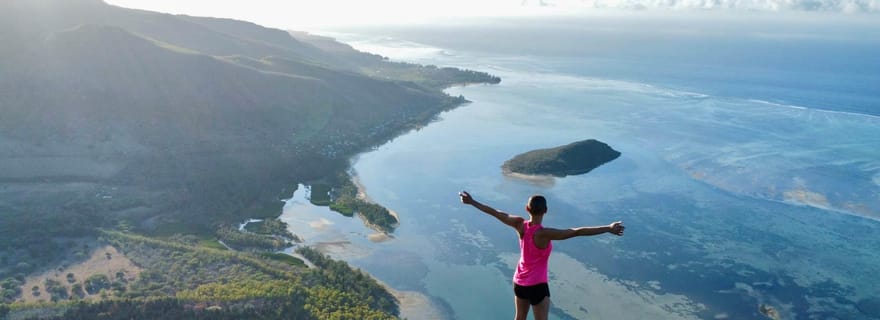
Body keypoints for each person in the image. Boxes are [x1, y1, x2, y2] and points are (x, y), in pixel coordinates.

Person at [459, 191, 625, 320]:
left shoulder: (519, 224)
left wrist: (471, 201)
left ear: (527, 209)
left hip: (519, 282)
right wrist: (608, 228)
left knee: (519, 318)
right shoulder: (545, 234)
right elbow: (577, 232)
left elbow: (495, 212)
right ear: (545, 211)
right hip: (538, 285)